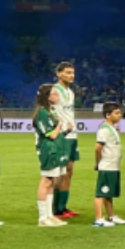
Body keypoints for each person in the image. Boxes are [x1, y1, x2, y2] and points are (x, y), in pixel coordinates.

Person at [34, 85, 68, 227]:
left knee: (52, 182)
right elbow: (52, 135)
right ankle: (42, 218)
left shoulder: (51, 110)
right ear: (47, 97)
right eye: (55, 94)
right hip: (48, 149)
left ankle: (49, 215)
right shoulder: (42, 112)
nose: (58, 96)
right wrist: (60, 124)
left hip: (56, 149)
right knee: (46, 181)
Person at [93, 103, 125, 228]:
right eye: (116, 113)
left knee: (108, 193)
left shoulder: (111, 127)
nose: (120, 115)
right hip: (107, 165)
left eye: (119, 113)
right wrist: (97, 163)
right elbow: (98, 148)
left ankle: (111, 216)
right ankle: (98, 219)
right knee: (101, 193)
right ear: (108, 115)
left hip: (113, 166)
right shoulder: (104, 129)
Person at [52, 61, 80, 219]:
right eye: (68, 72)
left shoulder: (70, 92)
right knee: (59, 172)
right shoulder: (54, 90)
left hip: (72, 135)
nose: (71, 75)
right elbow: (48, 110)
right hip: (62, 136)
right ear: (59, 74)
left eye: (73, 73)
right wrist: (58, 127)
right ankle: (54, 209)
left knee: (69, 171)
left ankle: (63, 208)